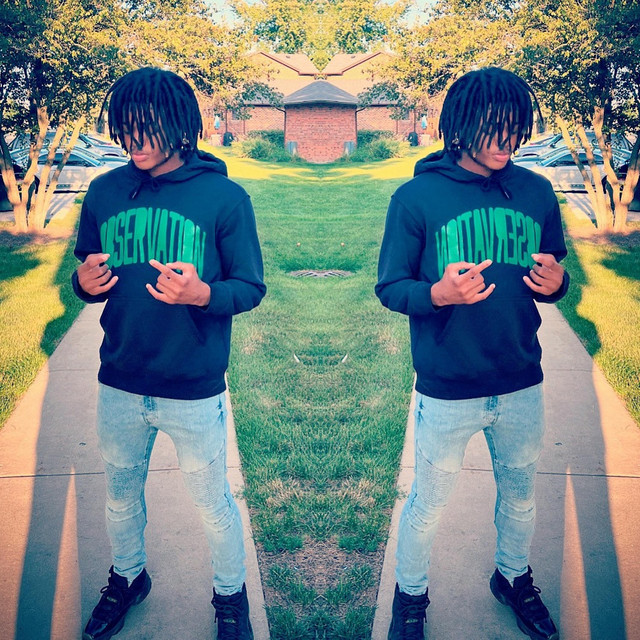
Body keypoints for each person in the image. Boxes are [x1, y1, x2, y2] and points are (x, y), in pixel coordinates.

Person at [376, 67, 569, 640]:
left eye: (516, 128)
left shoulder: (535, 192)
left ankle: (513, 578)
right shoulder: (416, 198)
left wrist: (557, 283)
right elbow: (390, 287)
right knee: (428, 504)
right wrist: (437, 294)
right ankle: (411, 595)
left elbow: (551, 272)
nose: (507, 140)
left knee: (521, 498)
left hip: (520, 379)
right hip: (447, 384)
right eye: (494, 127)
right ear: (460, 126)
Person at [72, 67, 266, 640]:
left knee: (212, 504)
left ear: (180, 126)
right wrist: (83, 283)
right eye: (124, 128)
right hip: (120, 378)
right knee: (120, 497)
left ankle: (229, 595)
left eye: (147, 127)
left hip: (193, 384)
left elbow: (250, 287)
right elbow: (89, 273)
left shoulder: (225, 198)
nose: (134, 140)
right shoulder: (105, 192)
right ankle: (128, 578)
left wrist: (203, 294)